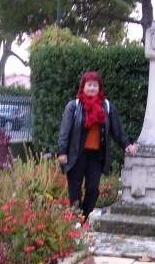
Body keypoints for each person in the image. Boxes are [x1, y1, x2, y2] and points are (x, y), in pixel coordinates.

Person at [57, 71, 137, 221]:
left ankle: (84, 216)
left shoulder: (106, 106)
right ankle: (76, 218)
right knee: (75, 189)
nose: (92, 88)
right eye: (89, 85)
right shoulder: (73, 106)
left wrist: (126, 144)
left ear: (99, 88)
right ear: (83, 87)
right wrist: (62, 151)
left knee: (93, 189)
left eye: (95, 85)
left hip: (96, 156)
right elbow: (64, 131)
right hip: (76, 155)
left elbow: (117, 130)